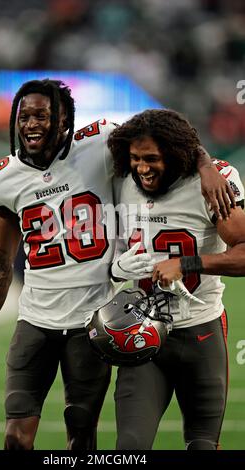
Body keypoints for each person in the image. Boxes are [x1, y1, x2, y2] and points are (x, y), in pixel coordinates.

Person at [0, 79, 235, 451]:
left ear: (64, 121)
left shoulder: (100, 143)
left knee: (87, 436)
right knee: (27, 439)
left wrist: (205, 164)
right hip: (59, 320)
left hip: (112, 321)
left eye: (42, 115)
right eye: (24, 116)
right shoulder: (1, 180)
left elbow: (162, 133)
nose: (31, 124)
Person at [107, 108, 245, 450]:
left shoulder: (213, 183)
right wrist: (118, 269)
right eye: (136, 158)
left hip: (200, 330)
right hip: (142, 330)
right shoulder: (122, 180)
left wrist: (187, 263)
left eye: (152, 158)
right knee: (129, 448)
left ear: (175, 153)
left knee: (202, 445)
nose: (142, 168)